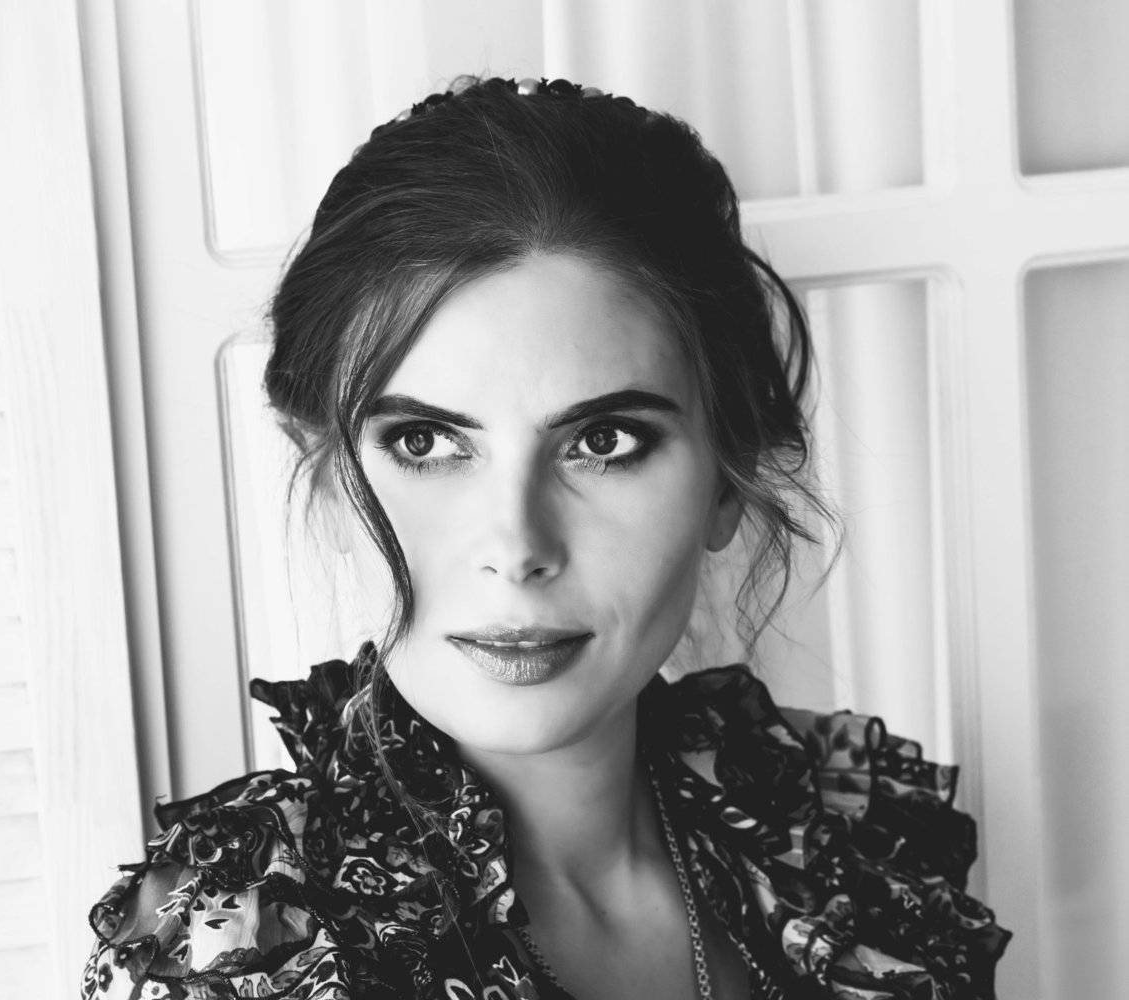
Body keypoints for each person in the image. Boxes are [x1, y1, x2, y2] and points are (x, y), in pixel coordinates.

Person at [80, 76, 1011, 1000]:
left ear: (727, 481)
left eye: (603, 442)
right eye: (425, 442)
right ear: (328, 481)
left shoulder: (844, 835)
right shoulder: (235, 948)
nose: (517, 547)